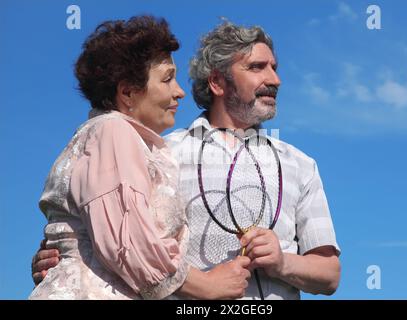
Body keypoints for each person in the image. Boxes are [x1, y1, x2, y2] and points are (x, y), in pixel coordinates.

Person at [32, 21, 341, 300]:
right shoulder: (157, 152)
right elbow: (117, 235)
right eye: (257, 67)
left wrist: (283, 262)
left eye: (274, 67)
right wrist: (63, 257)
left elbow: (330, 275)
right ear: (217, 83)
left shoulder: (301, 164)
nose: (275, 79)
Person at [29, 16, 250, 300]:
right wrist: (209, 285)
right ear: (128, 92)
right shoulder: (112, 131)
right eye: (168, 78)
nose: (179, 91)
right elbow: (129, 244)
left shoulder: (113, 138)